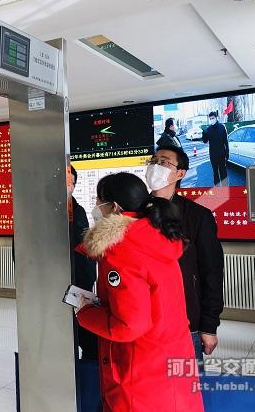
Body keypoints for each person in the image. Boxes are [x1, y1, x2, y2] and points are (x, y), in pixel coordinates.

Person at [76, 172, 203, 412]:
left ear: (114, 207)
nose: (95, 207)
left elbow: (130, 325)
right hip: (172, 361)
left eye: (98, 201)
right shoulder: (159, 236)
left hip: (140, 371)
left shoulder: (121, 249)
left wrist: (85, 311)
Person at [146, 145, 224, 364]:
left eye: (163, 162)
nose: (155, 166)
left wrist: (209, 325)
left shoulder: (198, 216)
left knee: (186, 379)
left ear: (180, 174)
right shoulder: (136, 212)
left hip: (185, 320)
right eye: (153, 161)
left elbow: (212, 272)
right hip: (144, 321)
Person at [68, 166, 101, 412]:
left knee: (87, 341)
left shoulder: (75, 211)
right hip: (56, 288)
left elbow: (82, 255)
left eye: (70, 180)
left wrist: (82, 289)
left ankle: (86, 391)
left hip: (76, 289)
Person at [202, 111, 229, 186]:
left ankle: (225, 187)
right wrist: (204, 134)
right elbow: (205, 141)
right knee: (215, 173)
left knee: (223, 172)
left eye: (213, 118)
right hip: (213, 155)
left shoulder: (222, 127)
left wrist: (227, 153)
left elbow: (226, 141)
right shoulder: (209, 129)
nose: (212, 120)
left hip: (221, 154)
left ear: (216, 118)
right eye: (210, 118)